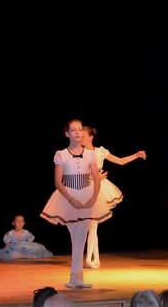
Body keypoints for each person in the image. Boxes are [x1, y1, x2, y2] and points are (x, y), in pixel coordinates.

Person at [41, 120, 110, 288]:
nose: (78, 133)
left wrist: (93, 198)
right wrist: (71, 199)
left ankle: (76, 278)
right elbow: (58, 181)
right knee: (76, 239)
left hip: (87, 196)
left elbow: (96, 178)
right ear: (67, 134)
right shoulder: (61, 154)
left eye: (80, 130)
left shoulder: (90, 154)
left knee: (81, 239)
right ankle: (76, 277)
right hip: (68, 197)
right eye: (74, 130)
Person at [81, 125, 146, 269]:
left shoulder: (100, 151)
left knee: (93, 224)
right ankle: (94, 259)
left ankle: (90, 260)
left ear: (90, 137)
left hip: (99, 189)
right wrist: (95, 177)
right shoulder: (78, 153)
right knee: (90, 225)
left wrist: (136, 155)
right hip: (84, 188)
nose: (80, 138)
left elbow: (121, 161)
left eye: (83, 135)